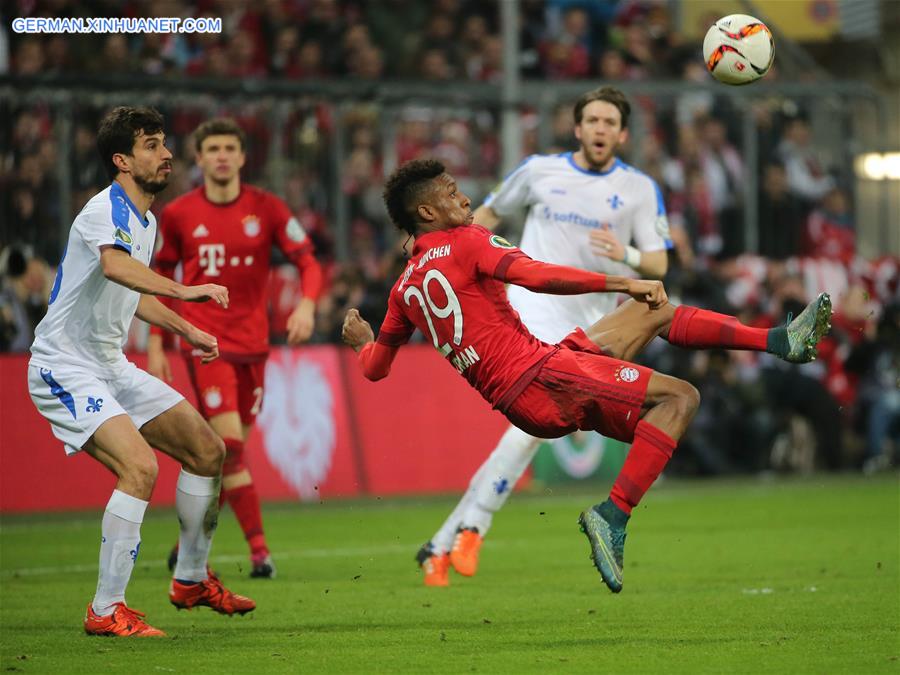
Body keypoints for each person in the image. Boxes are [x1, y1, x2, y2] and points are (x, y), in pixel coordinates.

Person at [341, 159, 832, 593]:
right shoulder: (466, 242)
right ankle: (612, 515)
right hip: (543, 378)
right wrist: (622, 279)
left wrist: (362, 340)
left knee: (653, 313)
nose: (465, 198)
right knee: (680, 398)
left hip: (535, 376)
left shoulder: (403, 290)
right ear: (426, 213)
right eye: (450, 192)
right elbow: (535, 277)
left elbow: (376, 368)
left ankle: (778, 341)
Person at [421, 86, 674, 586]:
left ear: (621, 133)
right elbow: (484, 217)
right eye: (592, 120)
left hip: (592, 325)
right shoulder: (539, 172)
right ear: (577, 128)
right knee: (529, 426)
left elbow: (659, 262)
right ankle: (473, 526)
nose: (600, 129)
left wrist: (623, 255)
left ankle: (442, 541)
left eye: (609, 122)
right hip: (529, 313)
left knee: (530, 431)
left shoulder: (640, 189)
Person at [27, 107, 255, 637]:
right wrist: (185, 288)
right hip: (64, 365)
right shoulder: (104, 209)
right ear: (122, 160)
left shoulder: (145, 220)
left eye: (164, 143)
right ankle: (105, 610)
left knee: (207, 451)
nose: (167, 154)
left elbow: (133, 290)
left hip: (110, 365)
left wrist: (187, 328)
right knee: (141, 468)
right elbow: (116, 267)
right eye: (152, 145)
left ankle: (191, 580)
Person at [149, 118, 322, 579]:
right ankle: (260, 552)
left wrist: (306, 305)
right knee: (229, 447)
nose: (222, 155)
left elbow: (308, 261)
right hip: (206, 344)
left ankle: (187, 542)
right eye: (213, 148)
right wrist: (158, 341)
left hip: (255, 348)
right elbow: (161, 281)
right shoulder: (180, 214)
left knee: (224, 456)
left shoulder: (266, 208)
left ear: (243, 157)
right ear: (199, 158)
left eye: (230, 148)